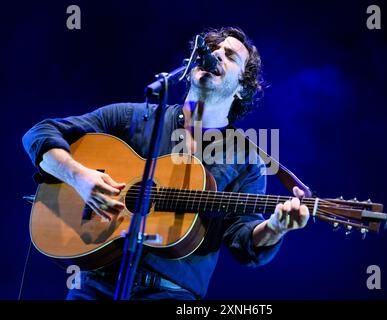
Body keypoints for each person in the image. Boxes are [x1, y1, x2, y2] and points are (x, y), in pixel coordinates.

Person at [22, 27, 310, 300]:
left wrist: (275, 226)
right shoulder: (132, 117)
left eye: (230, 55)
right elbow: (41, 133)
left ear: (242, 89)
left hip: (172, 293)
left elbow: (243, 241)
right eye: (212, 48)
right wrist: (80, 178)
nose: (217, 53)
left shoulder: (247, 159)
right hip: (96, 284)